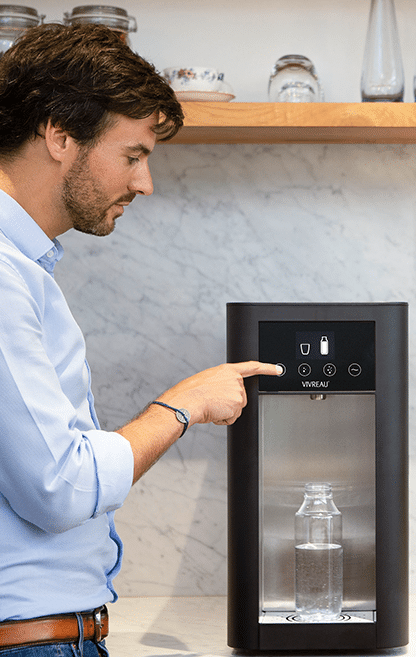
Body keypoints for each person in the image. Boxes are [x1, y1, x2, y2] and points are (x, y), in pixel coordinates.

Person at [0, 23, 281, 656]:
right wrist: (181, 406)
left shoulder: (26, 271)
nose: (145, 183)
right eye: (132, 155)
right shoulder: (2, 276)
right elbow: (58, 487)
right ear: (59, 135)